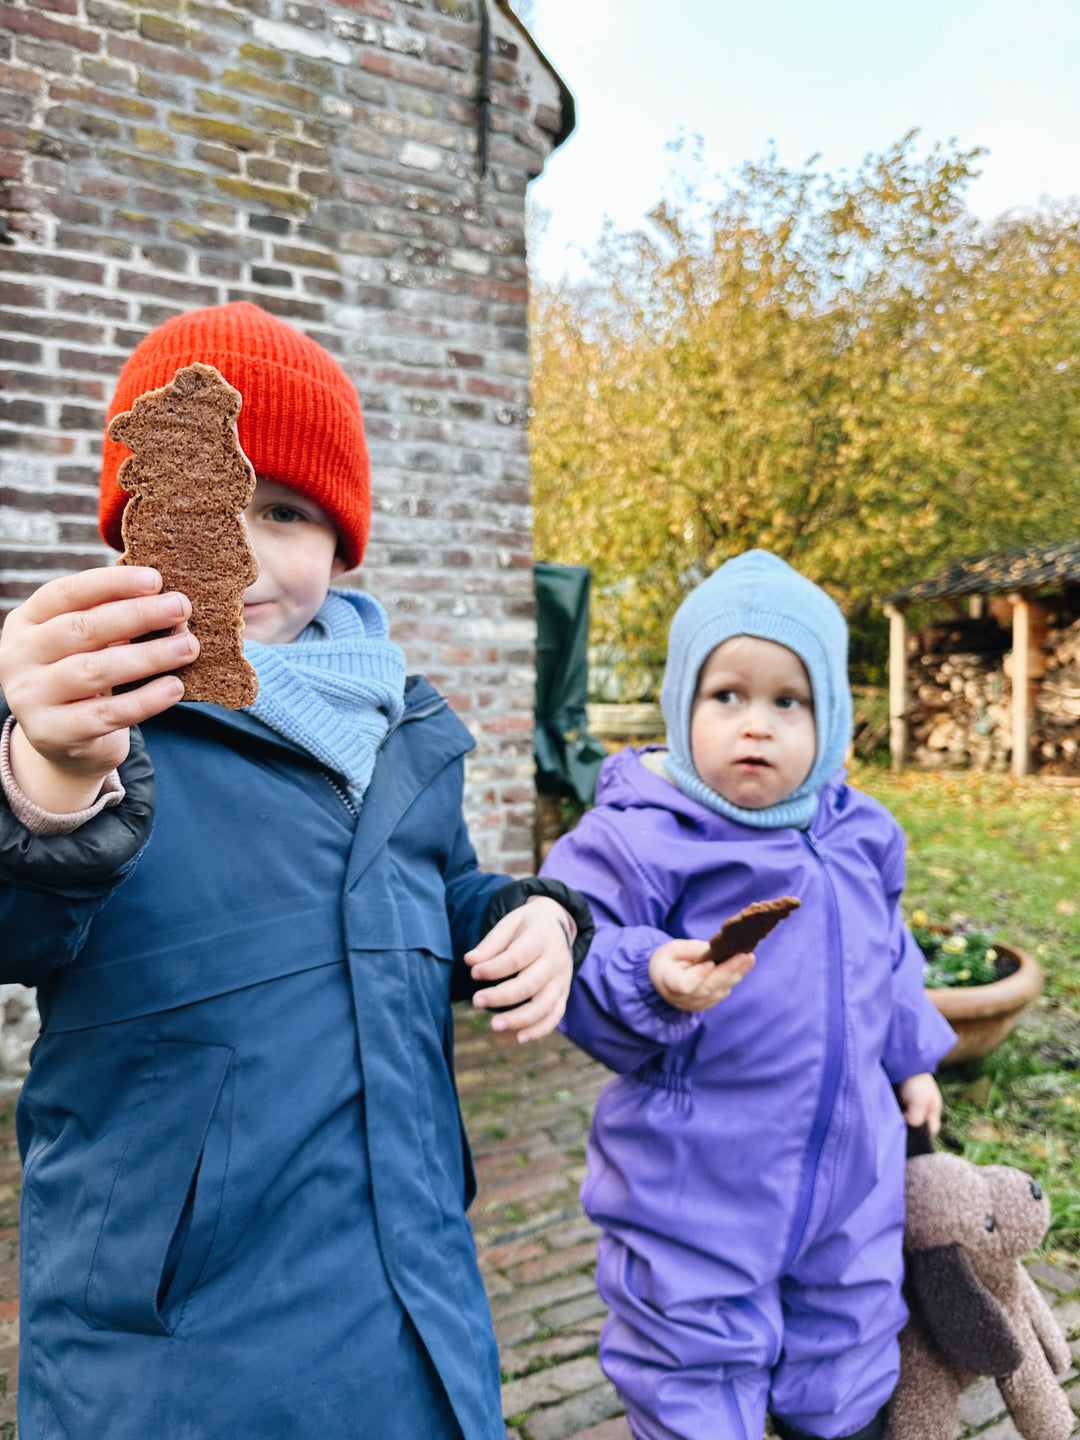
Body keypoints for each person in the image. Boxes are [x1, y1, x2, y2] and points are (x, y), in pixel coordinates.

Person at [0, 301, 592, 1440]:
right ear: (133, 533)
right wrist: (48, 774)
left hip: (413, 1315)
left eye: (283, 512)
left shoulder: (405, 726)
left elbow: (434, 895)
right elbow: (19, 919)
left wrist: (534, 913)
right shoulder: (100, 728)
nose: (245, 552)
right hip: (174, 1365)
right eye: (204, 508)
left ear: (339, 539)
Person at [540, 550, 956, 1440]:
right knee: (692, 1360)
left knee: (847, 1340)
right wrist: (650, 973)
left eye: (787, 701)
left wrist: (912, 1058)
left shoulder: (861, 832)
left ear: (832, 716)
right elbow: (576, 936)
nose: (755, 726)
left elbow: (890, 952)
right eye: (726, 696)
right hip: (695, 1178)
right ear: (683, 703)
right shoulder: (641, 836)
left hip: (853, 1172)